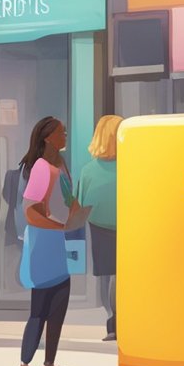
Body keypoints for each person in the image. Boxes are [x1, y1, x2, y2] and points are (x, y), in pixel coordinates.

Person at [16, 117, 79, 366]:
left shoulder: (60, 165)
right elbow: (30, 211)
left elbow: (66, 200)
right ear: (47, 138)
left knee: (58, 305)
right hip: (45, 244)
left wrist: (78, 215)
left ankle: (48, 362)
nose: (65, 135)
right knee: (41, 306)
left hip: (59, 243)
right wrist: (61, 227)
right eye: (60, 132)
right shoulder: (42, 168)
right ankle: (27, 362)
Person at [75, 115, 122, 342]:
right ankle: (123, 322)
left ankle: (112, 323)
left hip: (100, 228)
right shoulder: (134, 166)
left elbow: (82, 203)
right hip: (130, 227)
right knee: (123, 276)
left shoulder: (87, 171)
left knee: (106, 276)